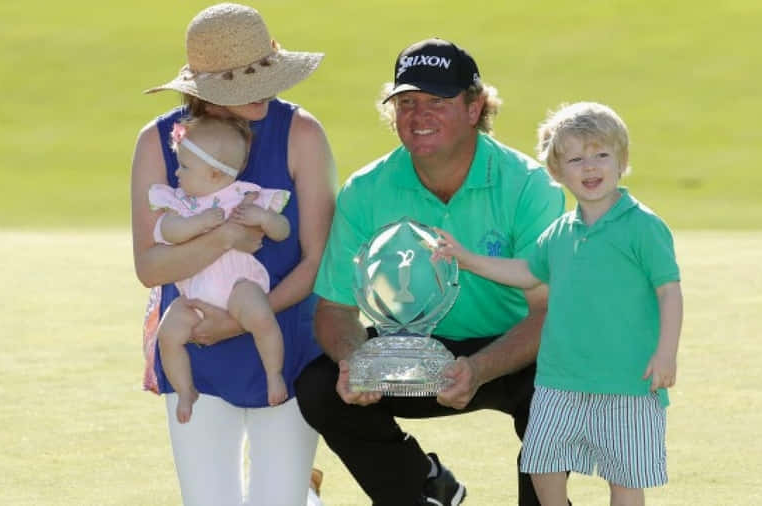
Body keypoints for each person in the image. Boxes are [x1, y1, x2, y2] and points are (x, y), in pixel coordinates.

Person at [294, 37, 566, 506]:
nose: (418, 116)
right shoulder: (367, 190)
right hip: (408, 352)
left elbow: (550, 313)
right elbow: (335, 311)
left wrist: (478, 369)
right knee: (321, 387)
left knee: (560, 384)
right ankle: (421, 489)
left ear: (475, 107)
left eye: (437, 101)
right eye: (406, 102)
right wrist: (356, 365)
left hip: (513, 350)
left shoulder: (528, 185)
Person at [131, 3, 336, 505]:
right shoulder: (157, 142)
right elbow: (149, 267)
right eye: (247, 83)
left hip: (285, 344)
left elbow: (317, 261)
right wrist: (223, 238)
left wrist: (241, 322)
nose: (266, 92)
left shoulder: (302, 133)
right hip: (195, 346)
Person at [438, 102, 683, 506]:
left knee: (624, 479)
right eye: (575, 158)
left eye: (601, 154)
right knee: (541, 462)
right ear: (557, 171)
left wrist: (666, 353)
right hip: (559, 380)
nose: (590, 167)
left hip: (628, 382)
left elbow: (669, 291)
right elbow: (527, 272)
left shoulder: (643, 226)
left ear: (621, 161)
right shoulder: (560, 232)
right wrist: (466, 258)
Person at [151, 116, 294, 422]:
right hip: (193, 295)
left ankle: (274, 374)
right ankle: (185, 389)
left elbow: (282, 230)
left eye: (185, 167)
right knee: (168, 334)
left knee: (260, 316)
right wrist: (196, 224)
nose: (176, 173)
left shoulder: (245, 197)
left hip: (237, 284)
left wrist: (265, 219)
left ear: (215, 173)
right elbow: (166, 231)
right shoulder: (182, 203)